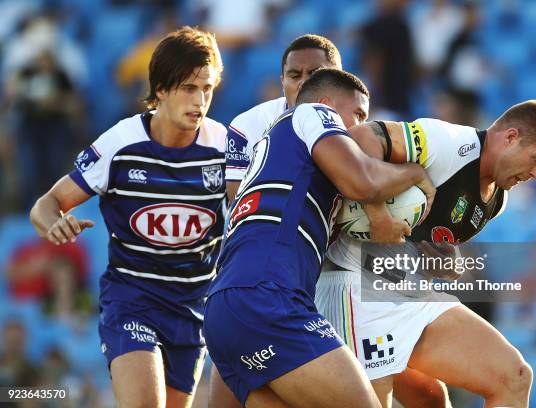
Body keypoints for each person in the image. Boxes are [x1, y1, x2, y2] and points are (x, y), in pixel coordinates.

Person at [204, 68, 436, 407]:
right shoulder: (312, 113)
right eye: (357, 114)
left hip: (227, 307)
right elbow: (364, 181)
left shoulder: (281, 157)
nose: (360, 127)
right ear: (328, 103)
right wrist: (414, 173)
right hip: (268, 297)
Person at [317, 99, 536, 407]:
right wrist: (378, 214)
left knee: (511, 378)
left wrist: (449, 264)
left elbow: (428, 236)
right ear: (510, 137)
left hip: (410, 292)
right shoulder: (449, 143)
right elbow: (362, 138)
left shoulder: (497, 200)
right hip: (356, 287)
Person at [30, 27, 226, 408]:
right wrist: (54, 222)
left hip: (195, 308)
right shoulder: (120, 144)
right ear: (162, 89)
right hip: (133, 298)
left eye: (207, 88)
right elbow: (47, 202)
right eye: (188, 88)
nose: (200, 100)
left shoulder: (225, 147)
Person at [225, 34, 342, 203]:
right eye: (295, 75)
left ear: (338, 79)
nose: (303, 82)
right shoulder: (247, 126)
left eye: (314, 74)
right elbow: (238, 204)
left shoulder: (354, 120)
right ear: (282, 82)